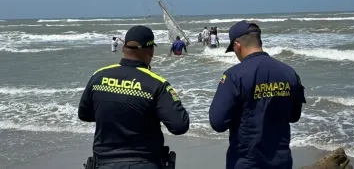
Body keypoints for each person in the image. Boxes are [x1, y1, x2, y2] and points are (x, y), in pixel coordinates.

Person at [78, 25, 190, 169]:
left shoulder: (99, 76)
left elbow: (84, 114)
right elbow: (180, 125)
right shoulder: (156, 84)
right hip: (145, 162)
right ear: (150, 50)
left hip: (104, 163)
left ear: (124, 48)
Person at [208, 20, 306, 169]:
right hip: (282, 162)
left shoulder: (234, 76)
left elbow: (218, 122)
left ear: (237, 46)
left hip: (246, 162)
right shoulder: (289, 73)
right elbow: (294, 116)